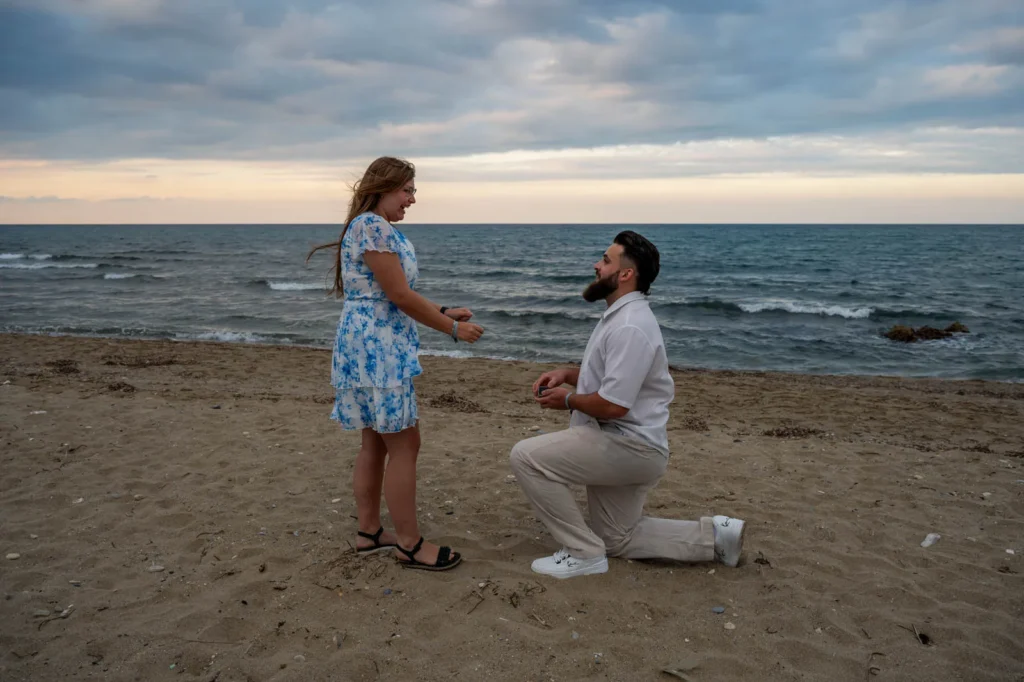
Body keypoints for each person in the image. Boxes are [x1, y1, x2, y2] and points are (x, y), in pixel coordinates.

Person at [509, 231, 745, 579]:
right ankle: (717, 537)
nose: (596, 265)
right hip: (629, 443)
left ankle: (583, 553)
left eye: (605, 260)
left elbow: (614, 405)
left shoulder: (631, 325)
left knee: (526, 457)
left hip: (627, 444)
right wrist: (569, 375)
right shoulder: (622, 317)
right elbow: (616, 381)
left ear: (625, 274)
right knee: (616, 538)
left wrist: (569, 400)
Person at [308, 156, 483, 572]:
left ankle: (369, 532)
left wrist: (442, 309)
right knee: (405, 443)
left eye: (413, 191)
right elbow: (399, 296)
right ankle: (409, 544)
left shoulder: (368, 226)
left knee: (374, 441)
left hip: (366, 343)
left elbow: (389, 291)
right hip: (378, 348)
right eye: (407, 190)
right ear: (383, 187)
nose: (412, 199)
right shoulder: (372, 226)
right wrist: (451, 329)